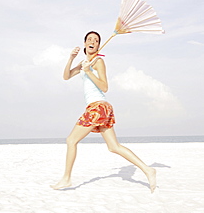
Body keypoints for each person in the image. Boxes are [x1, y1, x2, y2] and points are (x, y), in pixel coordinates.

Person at [50, 31, 156, 193]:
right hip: (101, 107)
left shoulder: (98, 62)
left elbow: (105, 87)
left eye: (96, 40)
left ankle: (67, 178)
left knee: (71, 140)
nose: (93, 41)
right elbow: (67, 76)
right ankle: (148, 169)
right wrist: (71, 58)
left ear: (98, 46)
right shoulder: (85, 62)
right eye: (90, 39)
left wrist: (90, 71)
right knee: (114, 147)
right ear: (85, 43)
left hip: (97, 107)